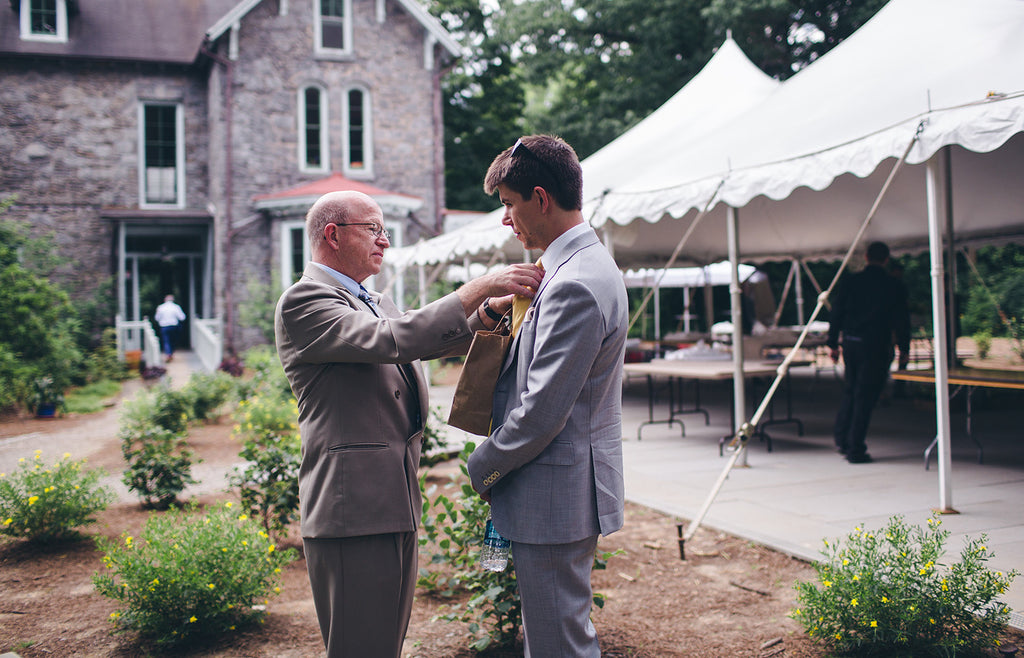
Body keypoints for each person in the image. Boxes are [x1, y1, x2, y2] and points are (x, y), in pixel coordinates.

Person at [274, 190, 542, 658]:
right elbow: (394, 339)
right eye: (374, 229)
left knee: (384, 645)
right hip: (350, 506)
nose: (385, 242)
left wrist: (491, 311)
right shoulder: (305, 301)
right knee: (360, 648)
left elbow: (426, 343)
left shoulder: (373, 299)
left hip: (392, 497)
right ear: (333, 235)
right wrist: (479, 285)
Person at [466, 135, 629, 656]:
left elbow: (540, 412)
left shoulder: (574, 282)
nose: (506, 219)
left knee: (558, 644)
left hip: (553, 493)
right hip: (555, 489)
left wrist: (483, 465)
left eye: (510, 204)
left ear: (541, 198)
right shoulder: (566, 271)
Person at [827, 241, 910, 464]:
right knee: (866, 395)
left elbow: (837, 313)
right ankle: (855, 447)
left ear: (865, 257)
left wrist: (833, 343)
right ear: (886, 259)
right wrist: (904, 348)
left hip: (852, 344)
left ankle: (842, 439)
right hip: (876, 345)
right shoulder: (893, 285)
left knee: (851, 390)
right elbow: (902, 319)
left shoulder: (851, 282)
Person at [154, 294, 186, 361]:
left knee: (166, 341)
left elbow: (157, 318)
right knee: (173, 341)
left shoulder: (161, 307)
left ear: (165, 300)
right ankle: (170, 353)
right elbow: (182, 317)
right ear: (173, 300)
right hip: (174, 326)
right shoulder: (176, 307)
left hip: (164, 326)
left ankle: (169, 354)